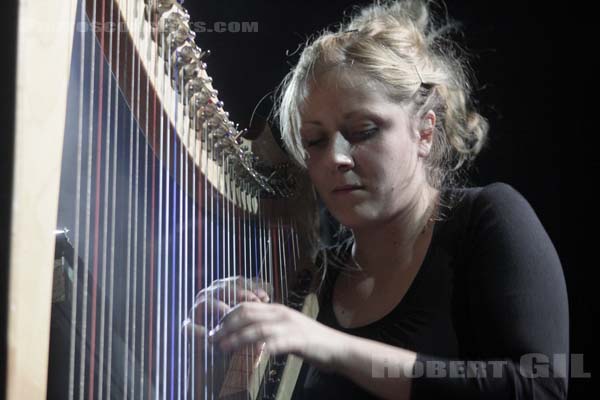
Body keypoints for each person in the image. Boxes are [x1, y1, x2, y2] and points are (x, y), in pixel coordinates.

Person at [184, 1, 569, 398]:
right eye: (315, 140)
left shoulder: (488, 219)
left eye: (363, 130)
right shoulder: (311, 284)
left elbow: (539, 386)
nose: (335, 157)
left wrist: (332, 346)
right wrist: (211, 363)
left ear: (424, 132)